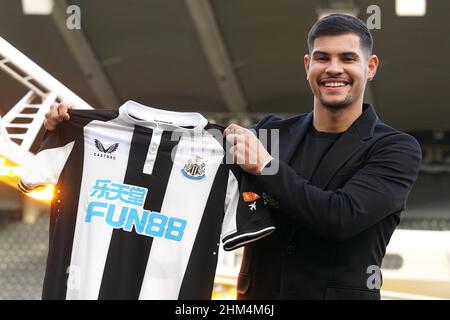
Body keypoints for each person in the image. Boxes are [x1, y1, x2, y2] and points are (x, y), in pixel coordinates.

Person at [45, 14, 421, 300]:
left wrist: (267, 167)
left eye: (347, 58)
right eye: (322, 58)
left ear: (369, 68)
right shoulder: (272, 131)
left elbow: (340, 218)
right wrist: (81, 123)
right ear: (308, 66)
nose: (334, 69)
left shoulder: (395, 148)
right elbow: (179, 146)